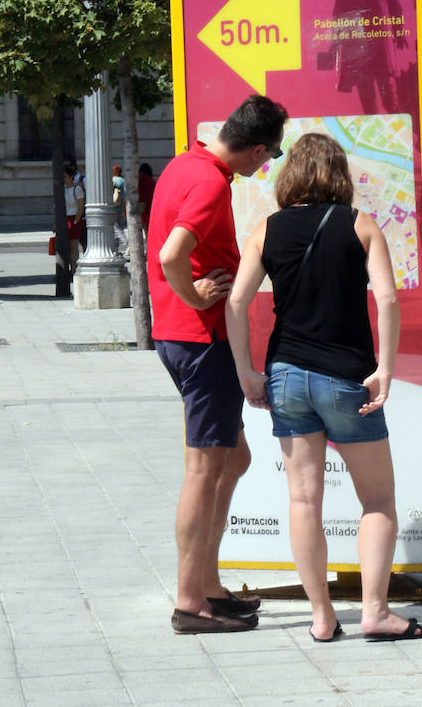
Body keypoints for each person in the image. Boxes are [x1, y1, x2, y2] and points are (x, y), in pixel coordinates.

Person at [226, 132, 422, 643]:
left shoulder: (265, 231)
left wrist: (246, 373)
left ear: (290, 173)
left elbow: (235, 303)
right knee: (378, 500)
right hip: (346, 378)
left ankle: (322, 617)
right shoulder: (360, 225)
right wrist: (384, 368)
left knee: (302, 501)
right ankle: (376, 612)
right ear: (338, 175)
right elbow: (385, 299)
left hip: (287, 376)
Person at [148, 94, 288, 634]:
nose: (266, 164)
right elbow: (169, 255)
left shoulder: (186, 163)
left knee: (233, 461)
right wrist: (196, 296)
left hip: (182, 338)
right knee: (205, 472)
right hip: (202, 343)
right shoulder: (208, 182)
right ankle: (190, 602)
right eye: (269, 154)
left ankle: (207, 583)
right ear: (255, 147)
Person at [63, 160, 85, 274]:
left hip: (74, 219)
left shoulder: (77, 189)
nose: (64, 179)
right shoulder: (62, 190)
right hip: (65, 219)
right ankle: (65, 269)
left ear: (71, 177)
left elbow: (80, 207)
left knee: (73, 246)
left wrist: (76, 222)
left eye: (65, 176)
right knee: (64, 246)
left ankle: (74, 269)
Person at [112, 164, 127, 255]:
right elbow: (125, 197)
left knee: (116, 229)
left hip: (113, 208)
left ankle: (128, 244)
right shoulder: (124, 181)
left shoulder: (114, 180)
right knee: (117, 228)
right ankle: (115, 249)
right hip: (120, 207)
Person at [137, 162, 156, 235]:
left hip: (140, 205)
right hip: (150, 205)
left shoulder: (139, 178)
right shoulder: (152, 181)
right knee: (148, 228)